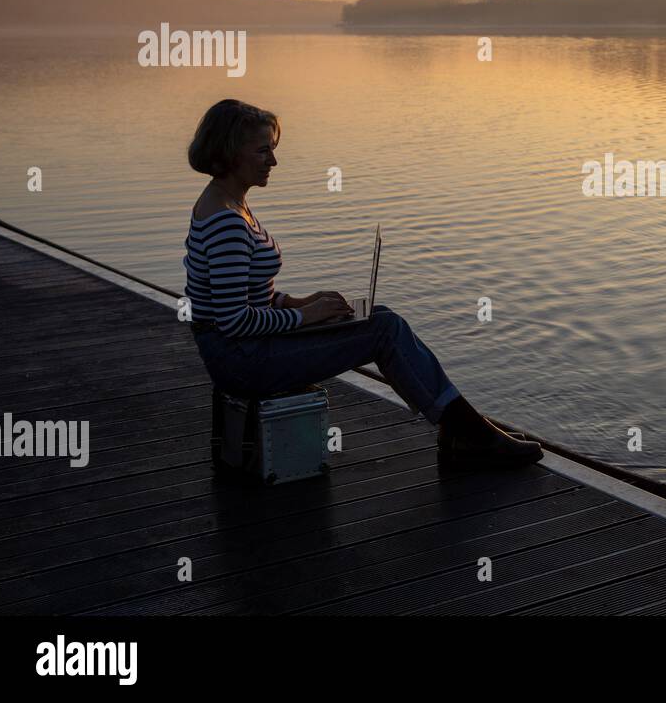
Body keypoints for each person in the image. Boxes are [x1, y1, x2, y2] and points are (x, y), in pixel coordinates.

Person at [183, 98, 541, 469]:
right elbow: (233, 320)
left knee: (381, 318)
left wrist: (297, 302)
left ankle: (461, 430)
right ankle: (469, 433)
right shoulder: (225, 221)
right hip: (241, 360)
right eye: (262, 151)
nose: (273, 161)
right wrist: (308, 316)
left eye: (272, 150)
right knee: (384, 330)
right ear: (228, 152)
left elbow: (248, 294)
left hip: (244, 350)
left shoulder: (228, 204)